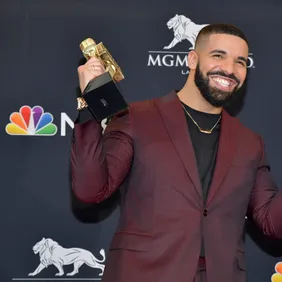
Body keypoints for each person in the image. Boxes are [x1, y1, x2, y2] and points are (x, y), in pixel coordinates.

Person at [70, 24, 282, 282]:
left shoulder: (250, 142)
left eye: (241, 62)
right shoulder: (137, 117)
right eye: (218, 55)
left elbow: (272, 223)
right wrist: (91, 101)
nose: (229, 69)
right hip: (144, 274)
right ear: (192, 59)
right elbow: (91, 190)